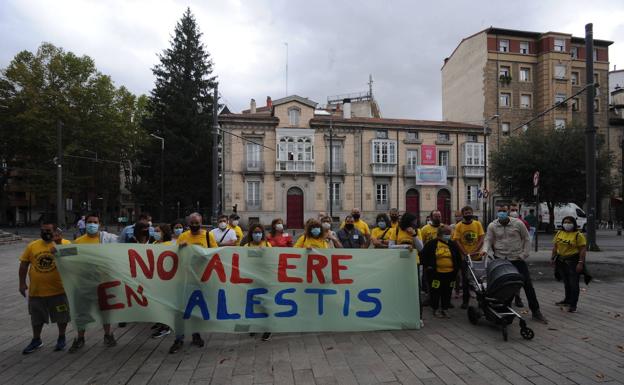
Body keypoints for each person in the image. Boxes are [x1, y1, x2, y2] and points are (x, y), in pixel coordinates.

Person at [482, 204, 548, 324]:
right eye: (499, 210)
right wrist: (485, 251)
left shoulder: (518, 223)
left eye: (503, 210)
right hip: (501, 259)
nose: (501, 212)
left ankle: (536, 311)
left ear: (507, 212)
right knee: (503, 285)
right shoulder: (493, 225)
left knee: (527, 285)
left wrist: (524, 255)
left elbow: (527, 239)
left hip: (517, 259)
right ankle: (503, 309)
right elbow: (488, 239)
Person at [18, 220, 71, 354]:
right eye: (42, 230)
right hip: (37, 291)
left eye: (48, 231)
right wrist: (22, 283)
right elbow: (24, 264)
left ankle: (61, 337)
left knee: (62, 316)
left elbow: (72, 261)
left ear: (55, 232)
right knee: (36, 318)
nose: (45, 233)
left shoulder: (66, 244)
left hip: (59, 290)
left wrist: (58, 245)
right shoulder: (32, 246)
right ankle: (36, 340)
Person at [69, 213, 118, 353]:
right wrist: (58, 251)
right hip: (83, 283)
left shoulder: (107, 239)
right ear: (85, 224)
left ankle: (108, 335)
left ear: (100, 224)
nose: (92, 224)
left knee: (105, 311)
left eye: (95, 222)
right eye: (89, 222)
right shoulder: (79, 241)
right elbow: (68, 254)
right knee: (82, 312)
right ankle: (80, 338)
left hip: (102, 282)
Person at [169, 212, 206, 353]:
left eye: (197, 223)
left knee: (196, 309)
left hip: (200, 280)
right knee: (180, 310)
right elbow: (174, 255)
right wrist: (180, 248)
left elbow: (215, 254)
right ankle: (178, 338)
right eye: (192, 223)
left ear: (201, 222)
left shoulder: (208, 236)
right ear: (188, 224)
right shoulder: (183, 237)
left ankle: (196, 335)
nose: (195, 225)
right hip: (183, 279)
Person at [420, 225, 462, 318]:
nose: (448, 235)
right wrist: (428, 266)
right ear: (440, 234)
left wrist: (458, 268)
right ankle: (435, 309)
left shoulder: (452, 244)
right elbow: (423, 256)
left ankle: (445, 308)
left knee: (447, 291)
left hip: (450, 273)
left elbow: (458, 258)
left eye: (449, 234)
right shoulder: (431, 244)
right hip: (436, 274)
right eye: (446, 234)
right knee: (435, 291)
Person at [551, 216, 587, 313]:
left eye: (569, 222)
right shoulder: (559, 233)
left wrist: (580, 262)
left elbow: (582, 250)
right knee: (566, 282)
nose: (567, 224)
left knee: (574, 284)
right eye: (565, 222)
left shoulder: (578, 235)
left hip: (573, 261)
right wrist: (553, 258)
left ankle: (573, 305)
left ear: (574, 224)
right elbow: (555, 246)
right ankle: (567, 300)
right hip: (561, 261)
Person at [452, 206, 485, 309]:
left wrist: (475, 251)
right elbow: (457, 240)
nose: (468, 214)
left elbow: (481, 238)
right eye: (466, 213)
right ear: (463, 214)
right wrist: (465, 252)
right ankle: (465, 301)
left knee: (479, 280)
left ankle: (481, 300)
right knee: (465, 280)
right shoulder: (459, 226)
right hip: (465, 258)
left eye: (469, 212)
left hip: (477, 257)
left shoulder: (477, 224)